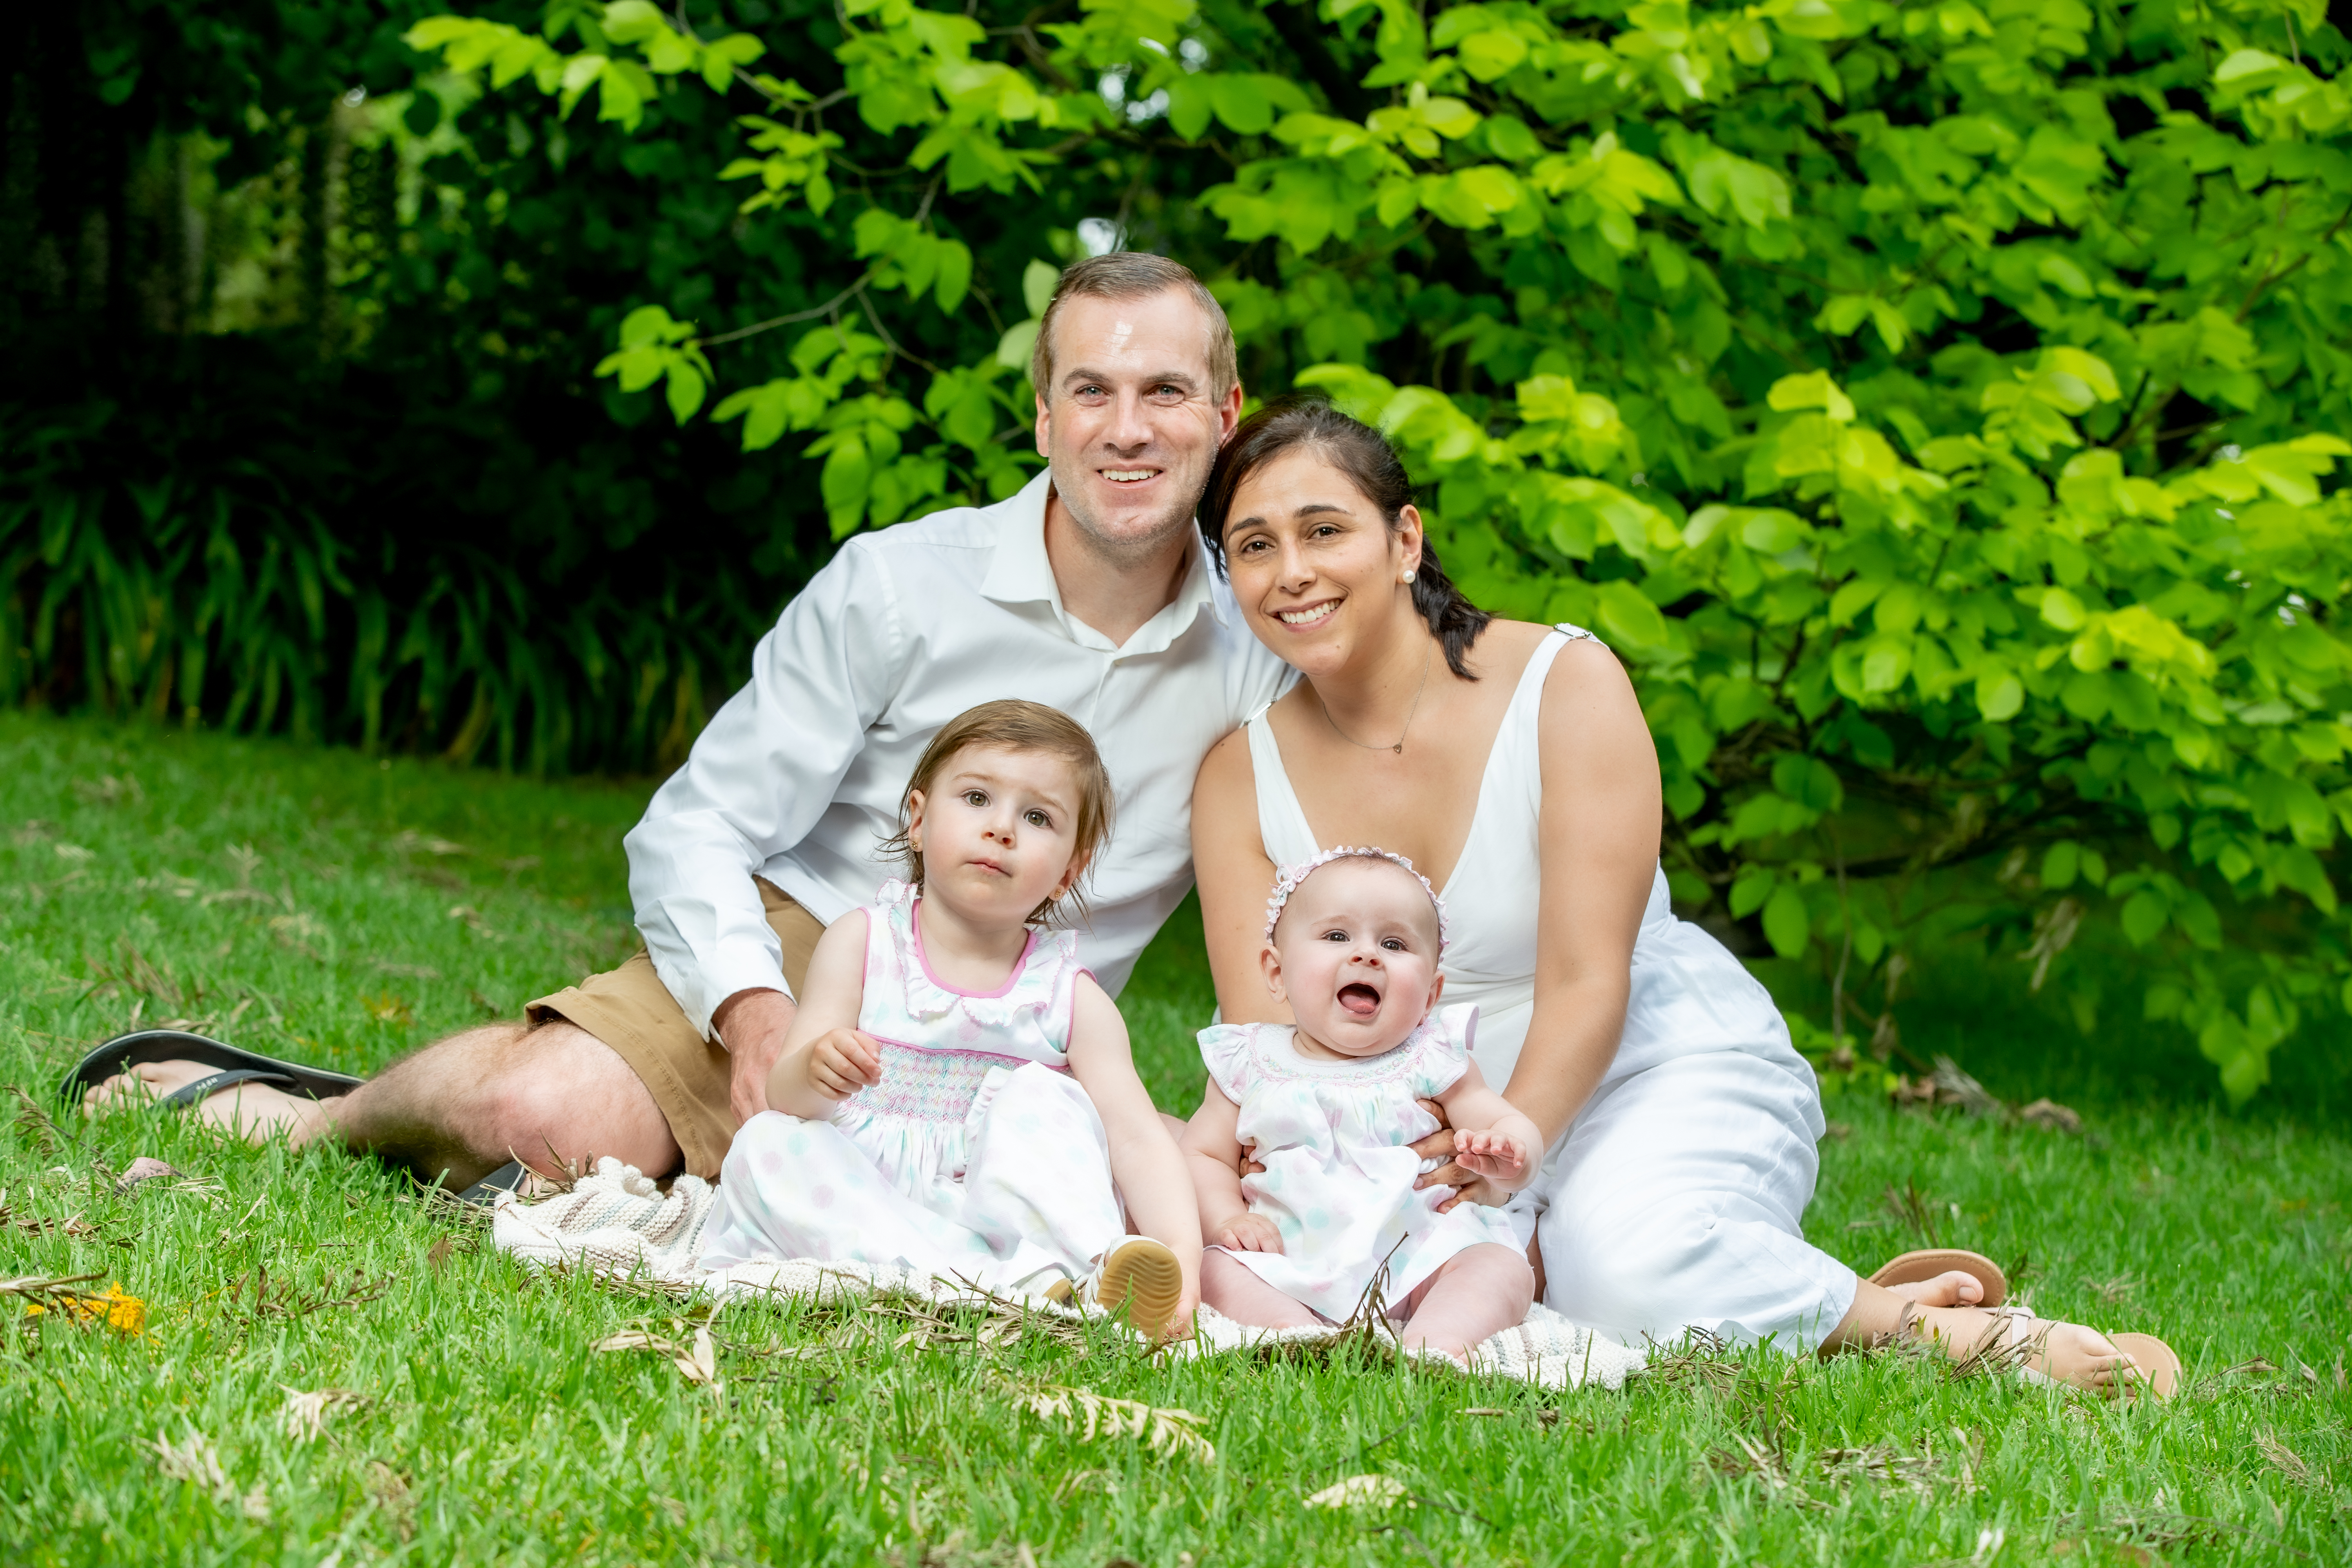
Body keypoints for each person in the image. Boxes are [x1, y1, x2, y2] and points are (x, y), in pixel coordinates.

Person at [79, 251, 1289, 1201]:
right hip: (819, 941)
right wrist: (755, 1013)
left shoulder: (1262, 660)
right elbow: (696, 826)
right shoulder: (902, 582)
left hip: (1024, 1032)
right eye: (1093, 390)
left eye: (1166, 392)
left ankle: (652, 1161)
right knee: (552, 1124)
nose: (1128, 429)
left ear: (1226, 413)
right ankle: (316, 1117)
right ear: (1043, 419)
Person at [1185, 400, 2181, 1393]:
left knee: (1623, 1273)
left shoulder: (1562, 682)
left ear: (1405, 540)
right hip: (1411, 1123)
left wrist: (1511, 1143)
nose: (1294, 571)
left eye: (1325, 529)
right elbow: (1271, 1035)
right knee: (1373, 1284)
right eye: (1255, 546)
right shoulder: (1240, 773)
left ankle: (1937, 1331)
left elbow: (1586, 978)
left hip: (1637, 1059)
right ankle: (1786, 1288)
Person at [700, 701, 1198, 1340]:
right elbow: (786, 1093)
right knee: (768, 1143)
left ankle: (1086, 1269)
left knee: (1051, 1099)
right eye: (977, 798)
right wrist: (818, 1067)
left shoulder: (1070, 997)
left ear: (1069, 870)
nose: (1001, 829)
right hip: (867, 1196)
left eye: (1038, 817)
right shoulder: (863, 942)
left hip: (1006, 1215)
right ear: (917, 819)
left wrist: (1183, 1259)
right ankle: (996, 1286)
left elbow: (1137, 1139)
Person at [1182, 846, 1539, 1363]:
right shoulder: (1250, 1060)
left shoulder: (1432, 1057)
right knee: (1213, 1266)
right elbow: (1203, 1156)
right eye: (1336, 936)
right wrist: (1226, 1219)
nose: (1367, 954)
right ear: (1276, 973)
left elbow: (1500, 1119)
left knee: (1498, 1266)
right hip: (1286, 1256)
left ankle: (1435, 1344)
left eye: (1394, 943)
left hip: (1418, 1255)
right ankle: (1291, 1333)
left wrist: (1509, 1152)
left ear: (1432, 994)